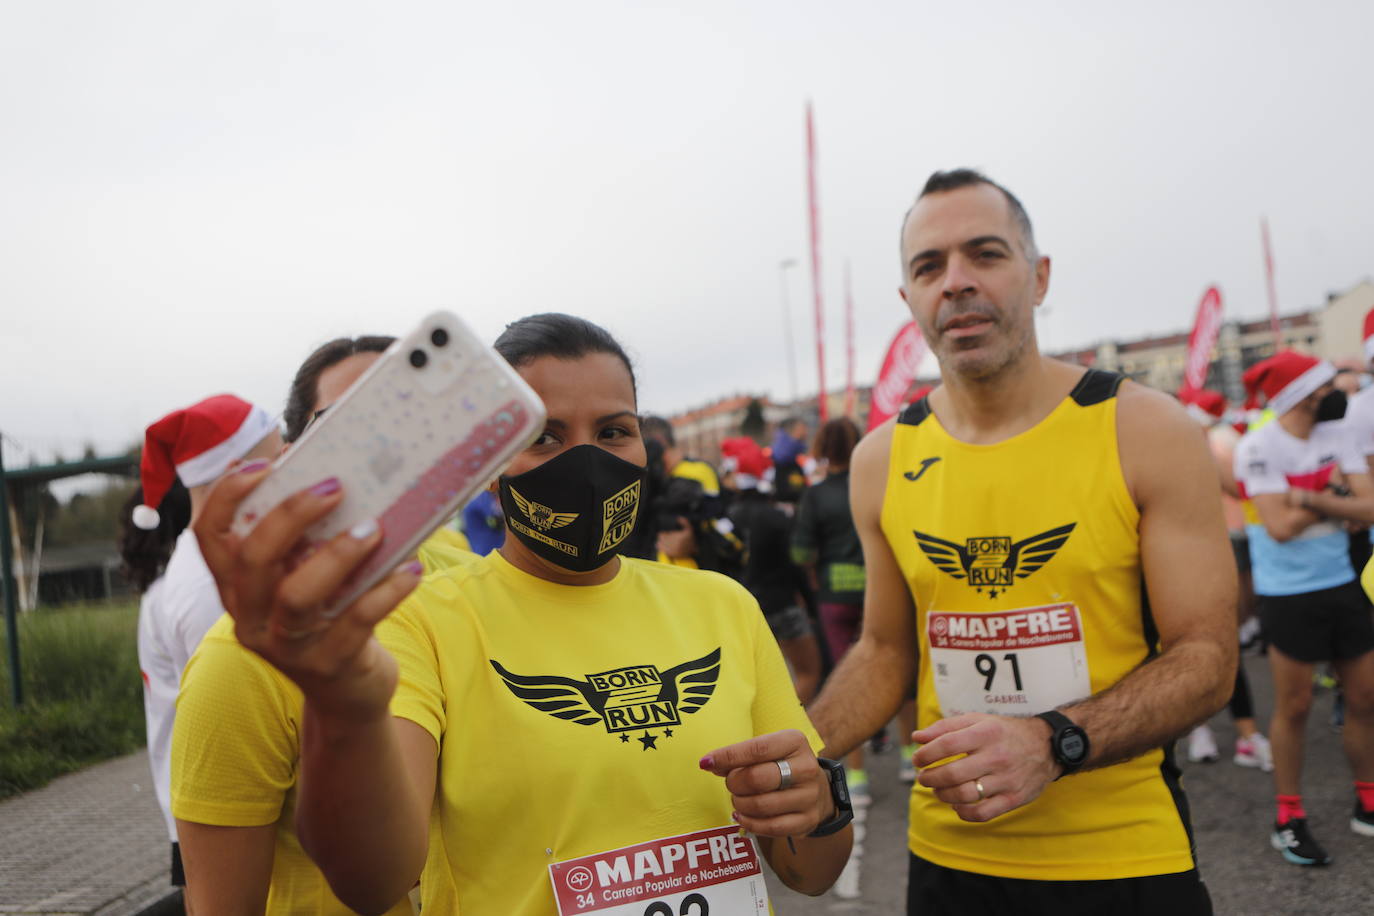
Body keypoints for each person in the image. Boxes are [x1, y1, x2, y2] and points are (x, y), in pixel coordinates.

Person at [190, 313, 852, 914]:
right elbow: (372, 880)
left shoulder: (720, 604)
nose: (586, 462)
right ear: (487, 467)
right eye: (544, 436)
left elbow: (812, 873)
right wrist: (342, 701)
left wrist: (817, 805)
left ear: (645, 447)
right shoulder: (427, 620)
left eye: (614, 431)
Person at [807, 168, 1237, 914]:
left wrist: (1052, 742)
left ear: (1038, 277)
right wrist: (801, 754)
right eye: (929, 267)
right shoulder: (883, 457)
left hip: (1125, 856)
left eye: (986, 254)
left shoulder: (1144, 429)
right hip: (949, 858)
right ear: (907, 299)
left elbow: (1207, 658)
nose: (957, 282)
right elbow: (884, 651)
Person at [171, 335, 469, 915]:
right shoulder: (238, 659)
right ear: (293, 455)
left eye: (412, 416)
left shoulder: (474, 575)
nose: (387, 444)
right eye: (347, 425)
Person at [125, 394, 283, 891]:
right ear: (238, 471)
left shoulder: (205, 566)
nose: (287, 474)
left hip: (218, 810)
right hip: (229, 818)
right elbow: (240, 722)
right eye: (277, 462)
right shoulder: (209, 586)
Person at [1233, 350, 1374, 865]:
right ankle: (1288, 817)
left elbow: (1371, 505)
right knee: (1293, 707)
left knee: (1365, 698)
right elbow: (1278, 528)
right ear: (1301, 394)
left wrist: (1310, 499)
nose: (1337, 389)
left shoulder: (1338, 434)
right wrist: (1338, 498)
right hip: (1287, 594)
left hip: (1343, 582)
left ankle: (1368, 798)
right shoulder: (1257, 445)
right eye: (1325, 384)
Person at [1178, 388, 1273, 771]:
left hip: (1218, 550)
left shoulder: (1212, 446)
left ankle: (1247, 735)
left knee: (1224, 642)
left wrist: (1204, 454)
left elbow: (1236, 489)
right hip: (1177, 562)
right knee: (1186, 648)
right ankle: (1199, 729)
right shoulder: (1152, 453)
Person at [792, 417, 872, 798]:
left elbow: (801, 551)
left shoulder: (816, 495)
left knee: (847, 676)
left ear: (822, 448)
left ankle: (856, 776)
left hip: (834, 596)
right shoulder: (873, 484)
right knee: (902, 672)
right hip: (877, 590)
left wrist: (811, 577)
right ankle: (910, 754)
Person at [724, 435, 823, 705]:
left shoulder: (728, 516)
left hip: (742, 610)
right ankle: (791, 732)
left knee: (757, 684)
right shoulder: (777, 517)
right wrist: (812, 608)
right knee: (809, 673)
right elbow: (796, 568)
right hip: (781, 606)